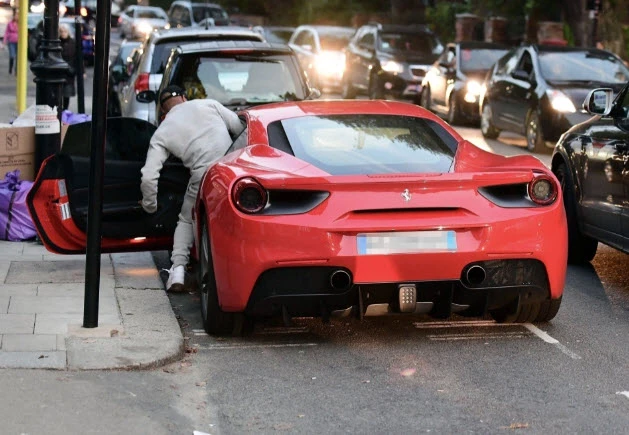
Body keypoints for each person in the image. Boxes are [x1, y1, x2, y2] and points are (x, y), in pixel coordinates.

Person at [140, 85, 244, 292]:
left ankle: (178, 271)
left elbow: (149, 177)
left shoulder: (163, 131)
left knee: (186, 219)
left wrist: (150, 206)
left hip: (202, 176)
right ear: (184, 98)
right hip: (233, 171)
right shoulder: (209, 105)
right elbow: (241, 130)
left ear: (163, 112)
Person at [59, 24, 76, 110]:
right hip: (59, 72)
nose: (63, 33)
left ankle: (65, 110)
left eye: (65, 31)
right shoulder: (57, 42)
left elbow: (78, 57)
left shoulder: (73, 43)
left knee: (66, 95)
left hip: (69, 72)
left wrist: (81, 71)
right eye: (61, 31)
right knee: (58, 94)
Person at [3, 10, 18, 76]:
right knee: (12, 56)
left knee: (18, 57)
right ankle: (10, 68)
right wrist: (4, 40)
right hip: (11, 42)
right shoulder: (10, 23)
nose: (16, 17)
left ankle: (16, 70)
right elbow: (7, 32)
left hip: (19, 42)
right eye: (15, 15)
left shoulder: (21, 23)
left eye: (18, 15)